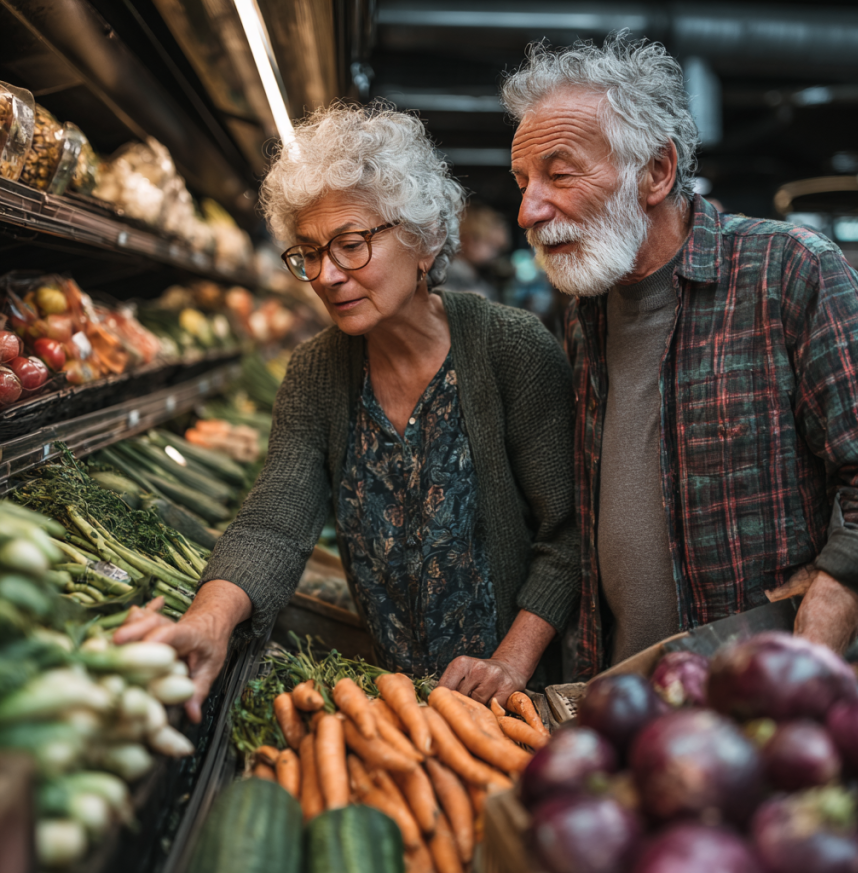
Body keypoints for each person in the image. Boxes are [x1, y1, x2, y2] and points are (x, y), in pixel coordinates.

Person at [115, 103, 581, 719]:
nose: (327, 275)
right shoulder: (316, 373)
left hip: (518, 704)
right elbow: (273, 523)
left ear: (424, 237)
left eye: (351, 245)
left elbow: (568, 535)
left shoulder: (511, 350)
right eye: (307, 252)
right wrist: (208, 622)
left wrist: (511, 663)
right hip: (396, 705)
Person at [502, 35, 858, 680]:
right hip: (627, 691)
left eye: (558, 174)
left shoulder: (788, 273)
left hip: (764, 690)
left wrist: (826, 618)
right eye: (523, 181)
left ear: (656, 173)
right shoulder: (587, 309)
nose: (528, 209)